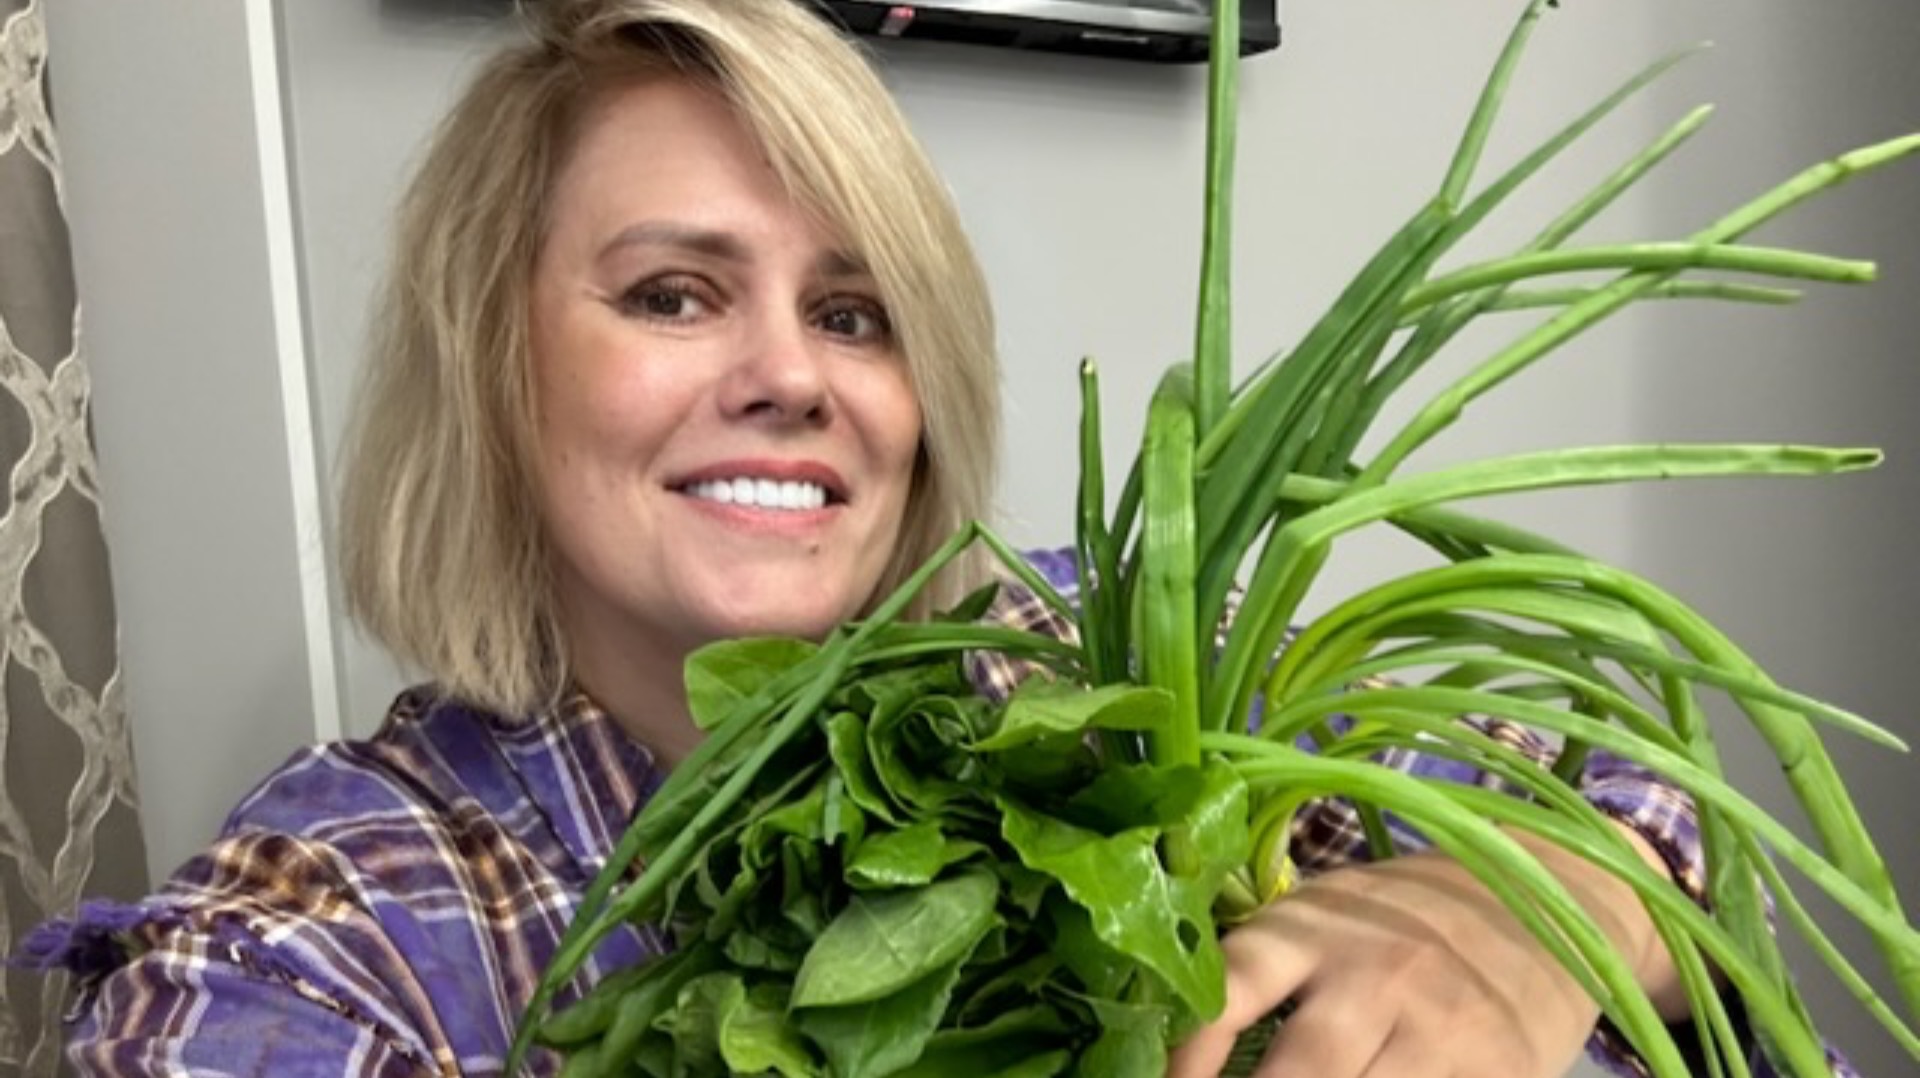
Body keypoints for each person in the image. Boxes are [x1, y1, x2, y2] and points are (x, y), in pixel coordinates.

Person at [20, 1, 1840, 1075]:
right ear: (491, 366)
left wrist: (1533, 916)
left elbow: (1656, 830)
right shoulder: (337, 910)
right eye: (672, 294)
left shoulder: (1120, 665)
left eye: (858, 313)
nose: (790, 375)